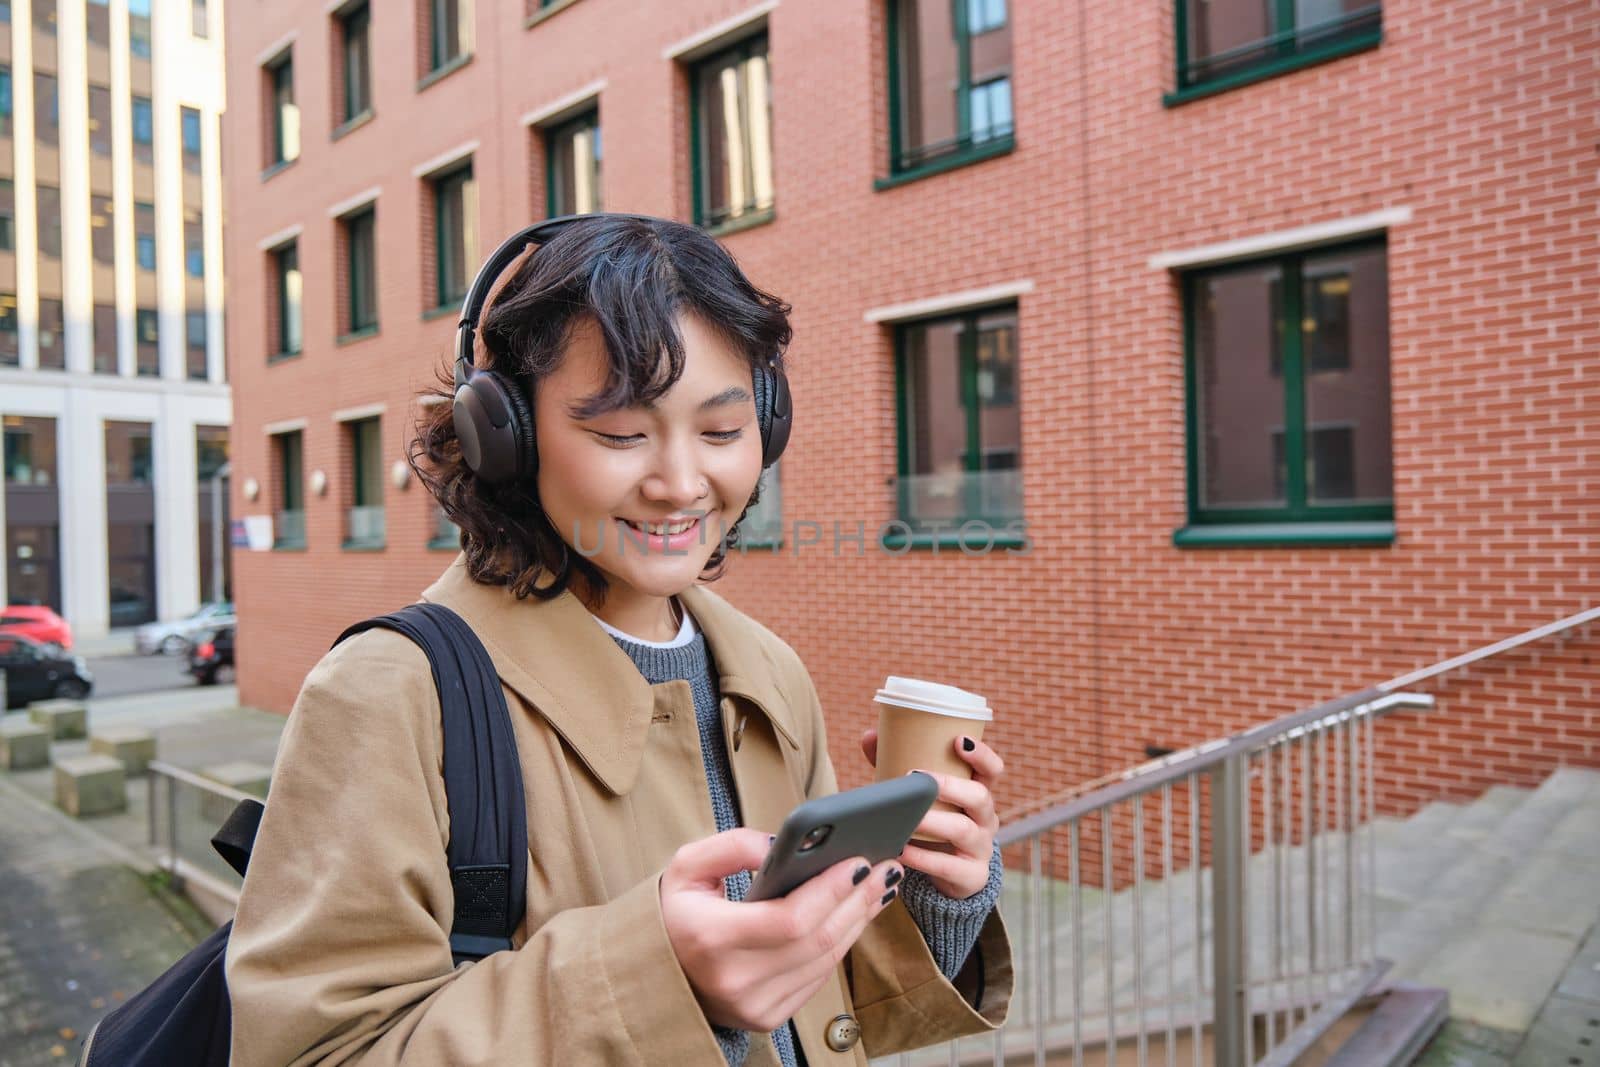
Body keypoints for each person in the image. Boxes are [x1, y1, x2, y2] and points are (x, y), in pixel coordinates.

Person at [225, 213, 1013, 1065]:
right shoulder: (389, 693)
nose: (680, 485)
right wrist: (658, 980)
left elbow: (811, 1010)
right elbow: (313, 1052)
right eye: (621, 435)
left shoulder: (769, 673)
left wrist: (932, 898)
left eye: (721, 431)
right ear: (508, 436)